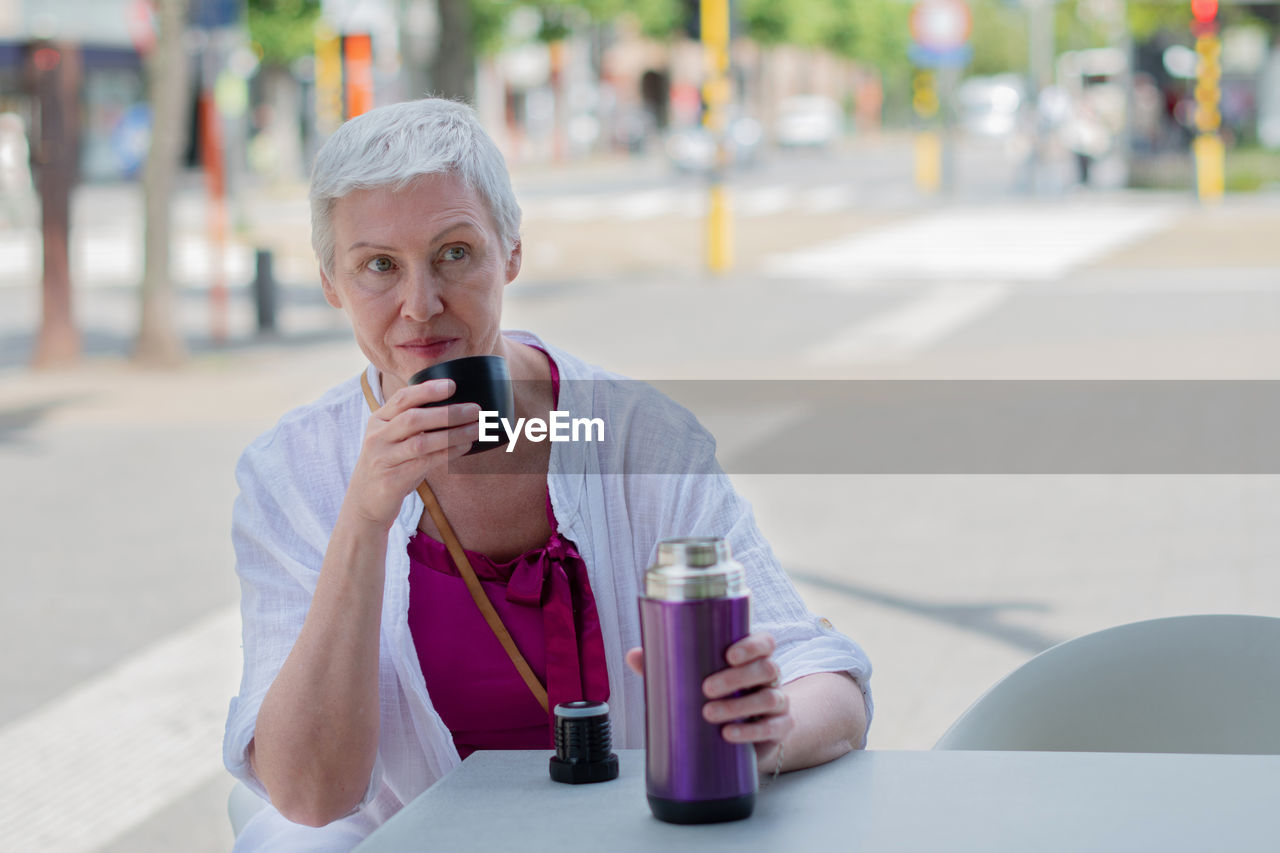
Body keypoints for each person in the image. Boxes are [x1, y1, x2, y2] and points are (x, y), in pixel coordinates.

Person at [223, 98, 872, 850]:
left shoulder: (634, 436)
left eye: (455, 252)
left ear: (512, 252)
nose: (420, 304)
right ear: (333, 283)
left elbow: (825, 675)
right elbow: (310, 794)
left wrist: (764, 735)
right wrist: (365, 518)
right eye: (378, 266)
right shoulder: (291, 472)